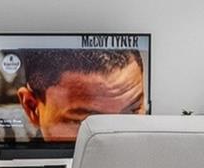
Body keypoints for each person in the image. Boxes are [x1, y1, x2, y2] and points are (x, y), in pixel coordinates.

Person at [15, 48, 147, 142]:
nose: (117, 141)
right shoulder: (5, 135)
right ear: (31, 107)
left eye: (133, 111)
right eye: (86, 122)